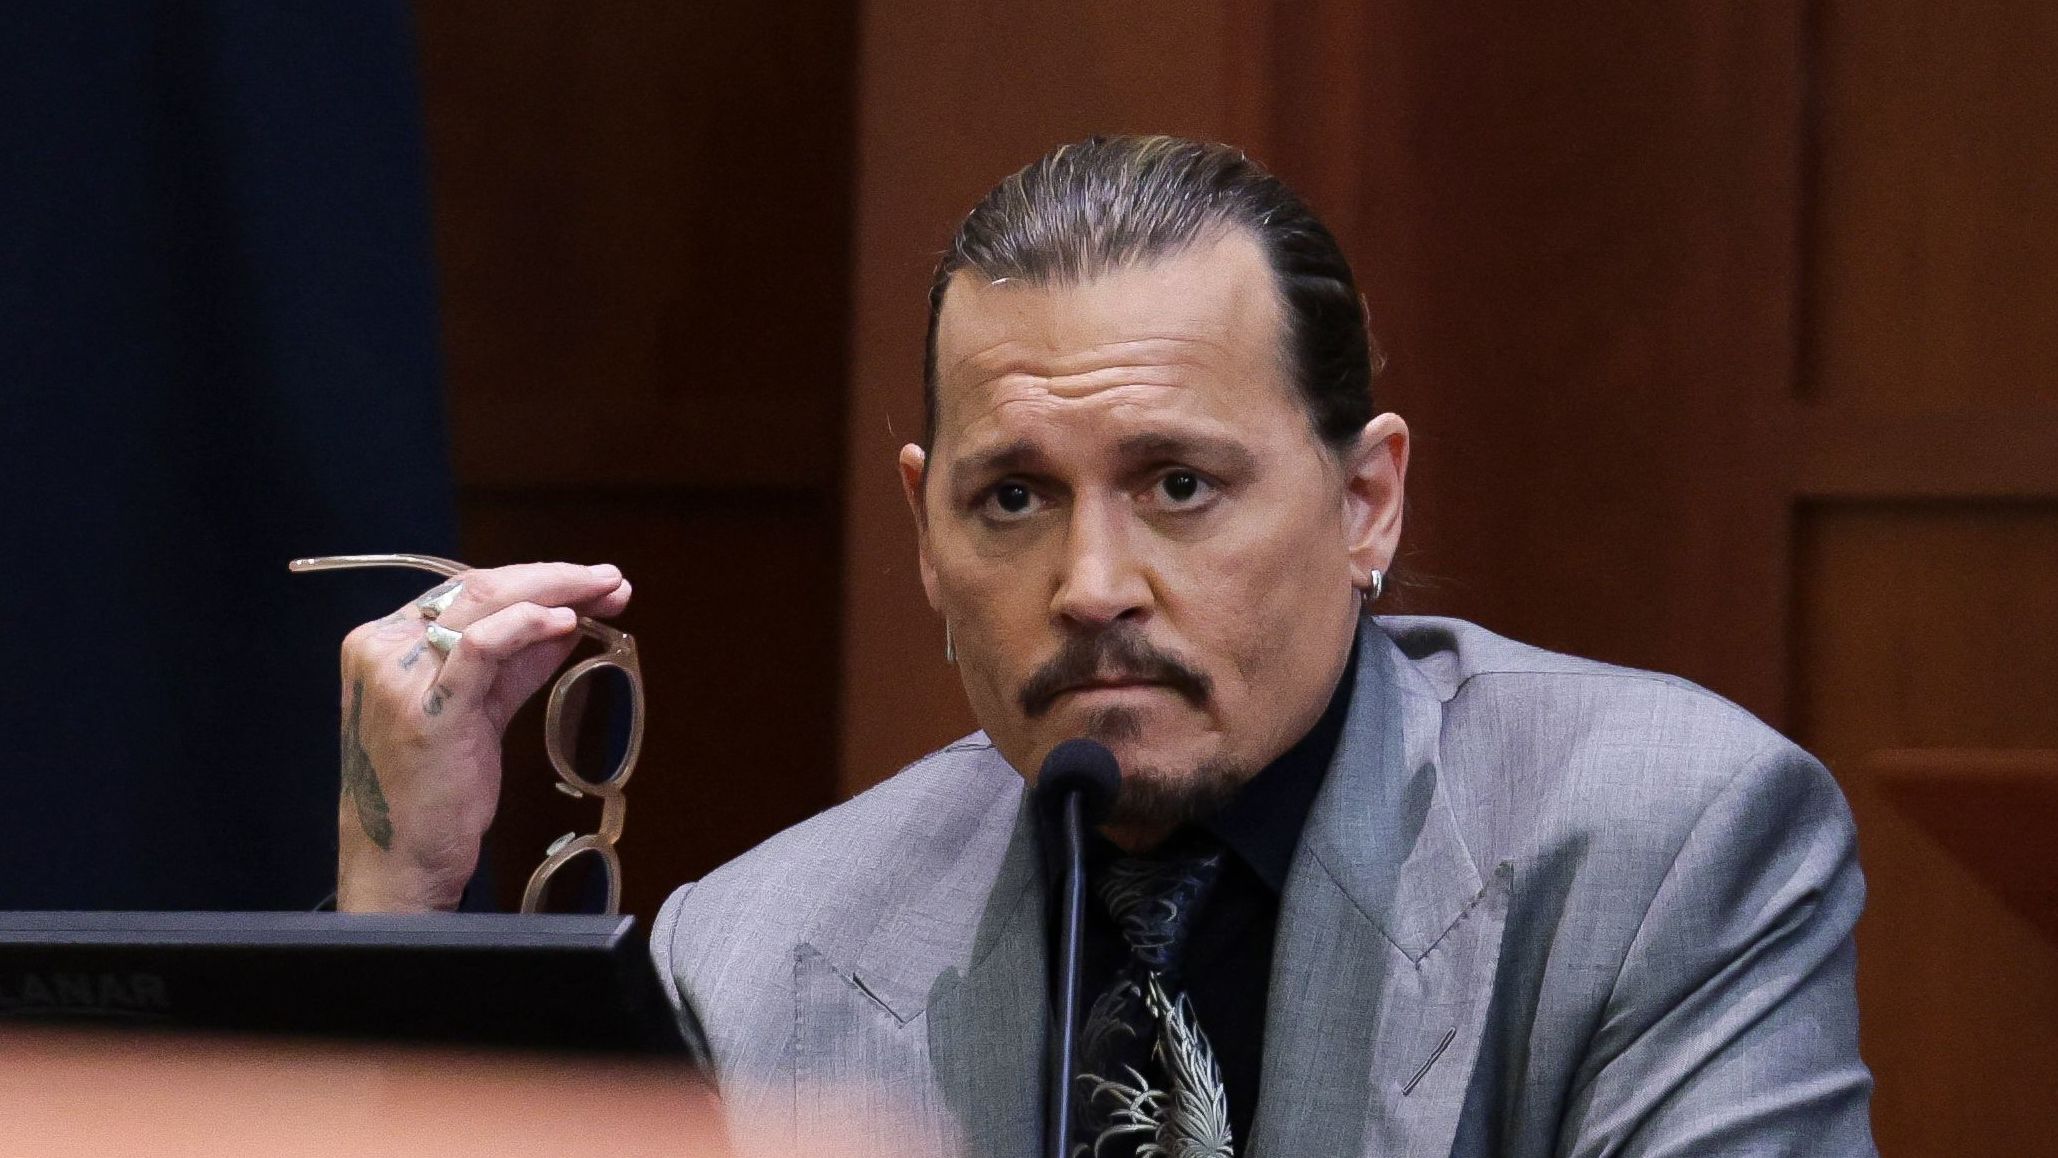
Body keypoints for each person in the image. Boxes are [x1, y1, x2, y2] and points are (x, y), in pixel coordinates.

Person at [334, 136, 1875, 1156]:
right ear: (926, 534)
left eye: (1178, 485)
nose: (1090, 583)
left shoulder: (1658, 841)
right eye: (1012, 497)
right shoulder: (758, 957)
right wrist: (400, 904)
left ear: (1363, 500)